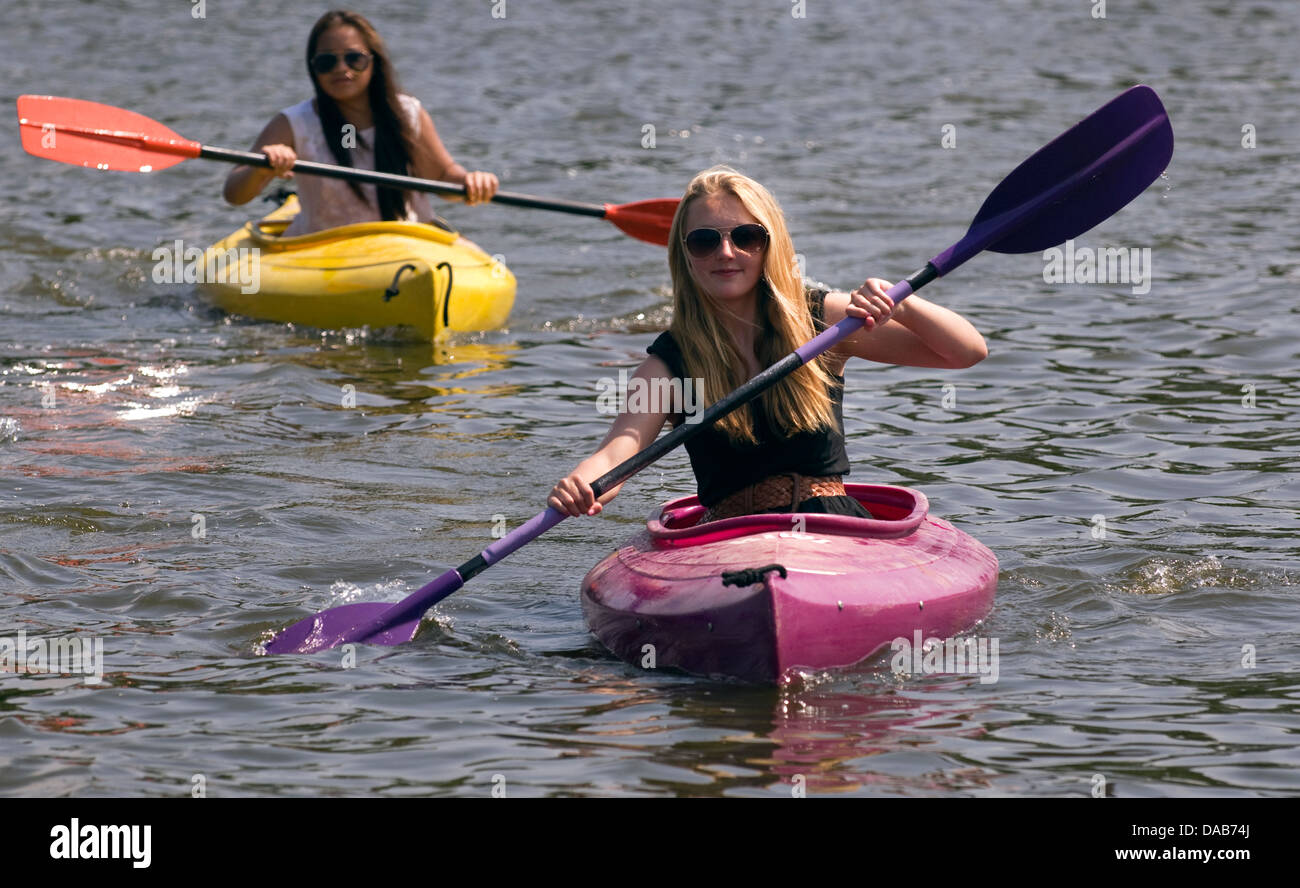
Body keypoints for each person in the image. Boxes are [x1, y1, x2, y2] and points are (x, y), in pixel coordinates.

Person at [548, 165, 989, 523]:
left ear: (769, 244)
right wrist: (580, 483)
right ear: (684, 255)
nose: (726, 252)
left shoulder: (824, 323)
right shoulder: (666, 366)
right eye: (705, 241)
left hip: (829, 523)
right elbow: (619, 450)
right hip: (727, 535)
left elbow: (965, 353)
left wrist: (905, 305)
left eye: (745, 237)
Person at [223, 9, 498, 236]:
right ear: (313, 68)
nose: (342, 69)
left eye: (354, 59)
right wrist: (262, 167)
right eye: (327, 61)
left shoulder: (407, 114)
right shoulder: (293, 123)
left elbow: (442, 177)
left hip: (406, 241)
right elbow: (234, 194)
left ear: (374, 62)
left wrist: (470, 182)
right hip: (322, 247)